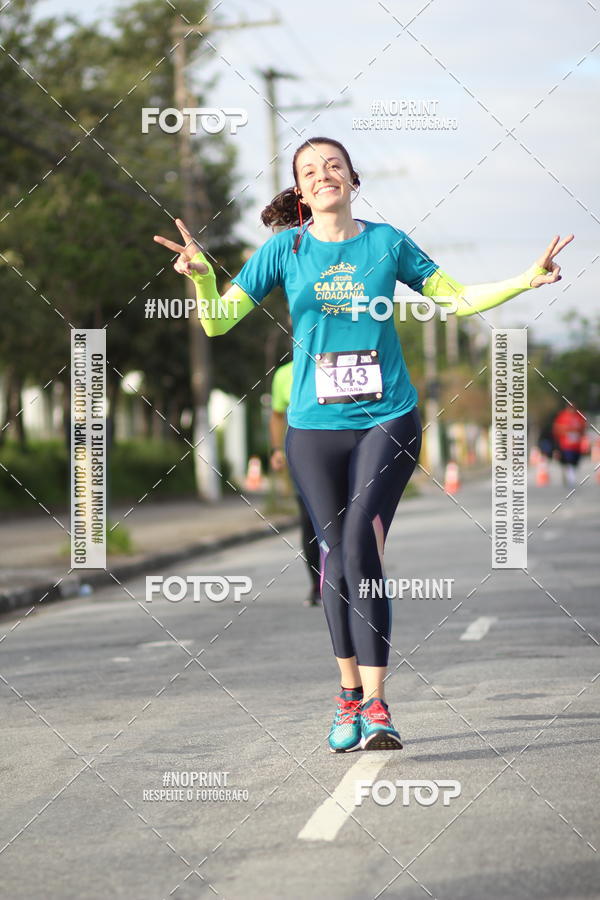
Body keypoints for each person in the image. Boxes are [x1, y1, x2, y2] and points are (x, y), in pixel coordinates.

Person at [154, 136, 573, 753]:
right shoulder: (284, 249)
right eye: (309, 170)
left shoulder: (387, 244)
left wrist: (525, 279)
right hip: (313, 429)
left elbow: (454, 299)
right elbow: (219, 320)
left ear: (353, 178)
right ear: (301, 190)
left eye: (333, 166)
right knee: (333, 560)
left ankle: (377, 705)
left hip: (388, 419)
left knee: (359, 548)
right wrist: (200, 277)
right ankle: (347, 693)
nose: (323, 175)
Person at [270, 359, 322, 607]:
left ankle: (354, 580)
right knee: (309, 522)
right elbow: (277, 415)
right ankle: (316, 584)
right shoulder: (283, 374)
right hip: (303, 455)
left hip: (342, 449)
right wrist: (277, 449)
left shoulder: (333, 361)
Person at [552, 404, 587, 486]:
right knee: (568, 461)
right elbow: (557, 429)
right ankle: (570, 478)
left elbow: (583, 428)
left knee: (574, 463)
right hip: (566, 445)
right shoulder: (562, 416)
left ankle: (569, 474)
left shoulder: (579, 416)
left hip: (577, 445)